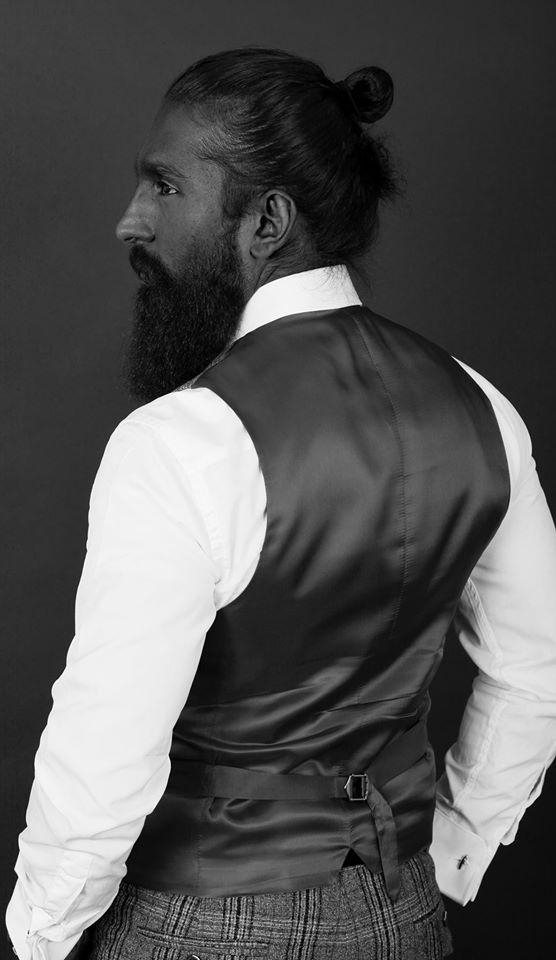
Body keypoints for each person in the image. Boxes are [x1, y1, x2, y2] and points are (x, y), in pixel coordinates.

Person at [5, 44, 556, 960]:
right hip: (407, 915)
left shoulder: (181, 440)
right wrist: (455, 852)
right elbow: (537, 669)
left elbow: (105, 748)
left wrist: (42, 933)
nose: (130, 220)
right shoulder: (482, 408)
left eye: (165, 186)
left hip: (203, 921)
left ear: (267, 221)